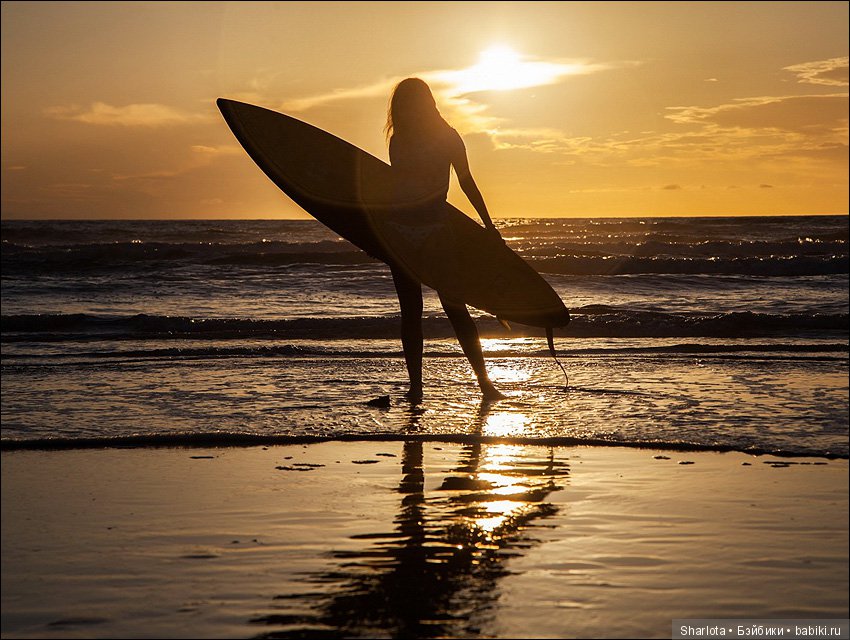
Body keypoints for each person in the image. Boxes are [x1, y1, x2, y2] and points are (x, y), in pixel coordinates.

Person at [385, 77, 504, 402]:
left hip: (426, 232)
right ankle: (417, 388)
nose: (406, 110)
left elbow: (467, 182)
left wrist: (489, 225)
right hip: (408, 232)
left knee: (454, 308)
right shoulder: (407, 139)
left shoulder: (436, 138)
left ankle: (484, 385)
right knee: (413, 312)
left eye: (409, 103)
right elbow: (398, 190)